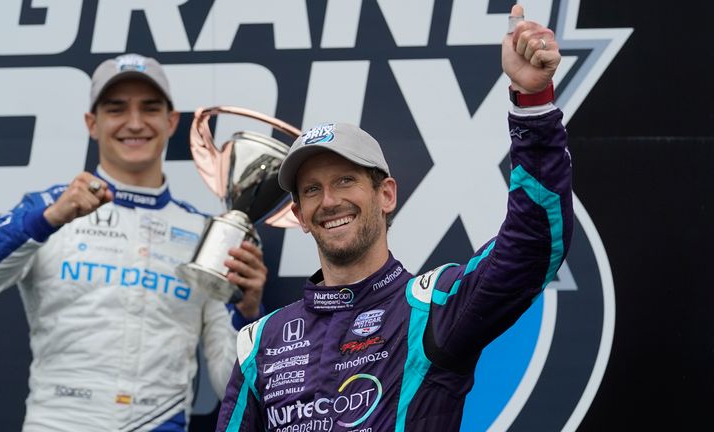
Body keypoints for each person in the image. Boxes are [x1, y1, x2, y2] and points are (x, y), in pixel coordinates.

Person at [215, 5, 572, 431]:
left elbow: (532, 248)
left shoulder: (431, 308)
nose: (329, 201)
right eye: (312, 189)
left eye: (345, 180)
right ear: (300, 215)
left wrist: (532, 104)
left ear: (386, 194)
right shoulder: (261, 342)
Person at [0, 53, 268, 431]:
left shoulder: (208, 234)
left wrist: (251, 314)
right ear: (92, 123)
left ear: (171, 122)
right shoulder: (49, 210)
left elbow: (226, 383)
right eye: (116, 109)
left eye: (149, 109)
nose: (135, 123)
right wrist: (46, 220)